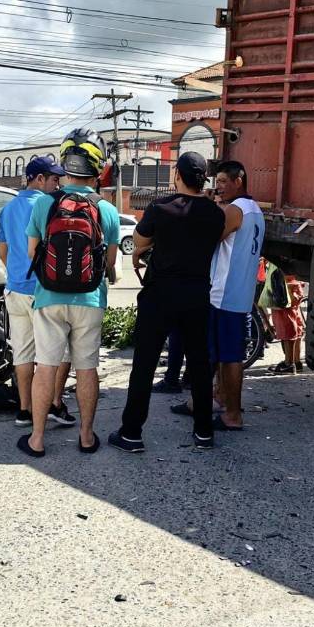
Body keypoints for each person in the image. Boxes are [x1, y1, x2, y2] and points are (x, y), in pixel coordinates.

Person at [110, 152, 224, 453]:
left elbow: (139, 240)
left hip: (160, 295)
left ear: (177, 175)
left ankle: (132, 433)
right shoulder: (215, 214)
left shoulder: (161, 208)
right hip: (197, 294)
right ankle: (203, 432)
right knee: (199, 365)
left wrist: (141, 253)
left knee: (145, 363)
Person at [19, 128, 119, 457]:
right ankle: (87, 436)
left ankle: (36, 439)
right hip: (90, 299)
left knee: (46, 366)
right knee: (87, 367)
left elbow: (33, 252)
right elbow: (109, 262)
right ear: (98, 168)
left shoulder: (45, 204)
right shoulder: (106, 210)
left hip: (49, 296)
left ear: (65, 163)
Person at [0, 157, 73, 429]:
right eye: (54, 179)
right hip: (44, 291)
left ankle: (24, 411)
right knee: (56, 355)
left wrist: (18, 275)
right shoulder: (49, 206)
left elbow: (3, 254)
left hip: (15, 290)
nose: (57, 184)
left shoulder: (7, 209)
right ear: (39, 179)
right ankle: (53, 404)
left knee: (23, 354)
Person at [189, 161, 264, 432]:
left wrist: (207, 207)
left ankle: (232, 414)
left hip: (224, 292)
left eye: (222, 181)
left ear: (238, 181)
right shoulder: (254, 208)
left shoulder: (234, 210)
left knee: (230, 356)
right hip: (240, 290)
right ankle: (217, 398)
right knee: (221, 353)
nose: (217, 186)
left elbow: (209, 238)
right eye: (216, 181)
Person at [269, 271, 307, 374]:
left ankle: (289, 363)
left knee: (286, 323)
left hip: (284, 283)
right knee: (294, 319)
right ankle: (295, 361)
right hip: (292, 282)